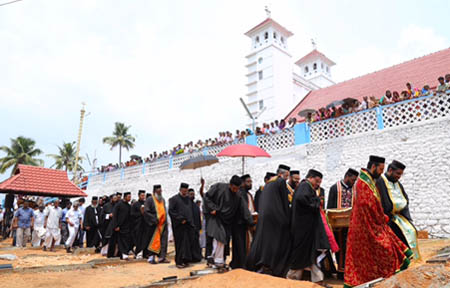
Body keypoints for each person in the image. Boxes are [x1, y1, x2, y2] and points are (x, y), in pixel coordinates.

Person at [344, 156, 412, 287]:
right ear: (373, 167)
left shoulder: (370, 181)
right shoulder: (363, 183)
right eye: (380, 169)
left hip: (374, 225)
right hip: (365, 228)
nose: (382, 172)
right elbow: (368, 206)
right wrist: (383, 217)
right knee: (386, 250)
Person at [287, 169, 337, 287]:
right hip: (301, 230)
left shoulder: (307, 187)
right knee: (301, 255)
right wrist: (316, 201)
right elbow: (301, 199)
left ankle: (318, 280)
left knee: (311, 255)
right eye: (317, 181)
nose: (318, 184)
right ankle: (291, 278)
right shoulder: (305, 186)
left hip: (307, 229)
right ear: (310, 178)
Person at [246, 164, 292, 277]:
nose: (287, 178)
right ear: (283, 174)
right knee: (280, 242)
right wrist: (288, 218)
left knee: (266, 242)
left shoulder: (268, 183)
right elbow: (284, 202)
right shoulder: (280, 181)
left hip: (265, 217)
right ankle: (276, 268)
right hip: (277, 217)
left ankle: (261, 265)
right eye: (287, 176)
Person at [377, 160, 420, 260]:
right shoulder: (380, 181)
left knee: (411, 230)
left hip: (399, 216)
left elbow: (405, 198)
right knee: (400, 232)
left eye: (401, 174)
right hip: (386, 218)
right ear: (390, 170)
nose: (399, 177)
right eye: (397, 174)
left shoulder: (398, 184)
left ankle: (408, 258)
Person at [203, 176, 247, 269]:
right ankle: (214, 260)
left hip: (226, 220)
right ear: (230, 185)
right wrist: (213, 208)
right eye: (234, 188)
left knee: (224, 240)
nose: (235, 190)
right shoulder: (218, 187)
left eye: (237, 188)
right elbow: (206, 197)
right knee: (217, 237)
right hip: (214, 216)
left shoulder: (238, 194)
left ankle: (220, 261)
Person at [230, 174, 255, 269]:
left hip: (246, 222)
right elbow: (244, 209)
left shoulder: (248, 194)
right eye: (248, 182)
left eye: (251, 182)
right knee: (241, 246)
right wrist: (250, 221)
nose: (250, 184)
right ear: (243, 183)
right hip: (240, 223)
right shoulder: (240, 193)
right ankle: (242, 266)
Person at [169, 183, 196, 268]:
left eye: (186, 190)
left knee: (188, 244)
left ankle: (186, 260)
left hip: (188, 225)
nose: (185, 192)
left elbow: (190, 211)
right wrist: (181, 219)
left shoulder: (188, 199)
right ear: (180, 190)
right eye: (183, 190)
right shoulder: (174, 199)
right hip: (179, 225)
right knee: (180, 244)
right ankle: (179, 261)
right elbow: (171, 211)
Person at [145, 185, 170, 264]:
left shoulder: (162, 199)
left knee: (163, 241)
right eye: (158, 191)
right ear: (154, 191)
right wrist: (154, 219)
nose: (160, 192)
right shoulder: (149, 200)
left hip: (163, 224)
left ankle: (162, 257)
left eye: (160, 191)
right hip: (154, 224)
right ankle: (151, 257)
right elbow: (146, 211)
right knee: (153, 241)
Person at [110, 192, 132, 260]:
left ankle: (124, 254)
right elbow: (115, 216)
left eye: (130, 197)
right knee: (121, 241)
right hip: (119, 227)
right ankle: (124, 255)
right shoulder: (118, 205)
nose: (130, 198)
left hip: (127, 227)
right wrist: (116, 226)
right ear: (125, 197)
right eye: (128, 197)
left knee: (127, 241)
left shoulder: (128, 206)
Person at [130, 190, 146, 259]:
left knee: (145, 239)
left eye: (144, 195)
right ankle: (138, 253)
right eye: (142, 195)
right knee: (138, 240)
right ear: (139, 196)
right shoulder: (135, 204)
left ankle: (145, 253)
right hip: (138, 225)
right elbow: (132, 214)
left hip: (145, 225)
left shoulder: (146, 203)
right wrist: (141, 213)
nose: (143, 197)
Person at [189, 188, 203, 263]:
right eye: (191, 194)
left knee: (196, 243)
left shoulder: (195, 205)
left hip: (196, 228)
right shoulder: (186, 205)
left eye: (193, 194)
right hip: (189, 228)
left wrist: (199, 227)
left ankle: (197, 257)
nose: (192, 196)